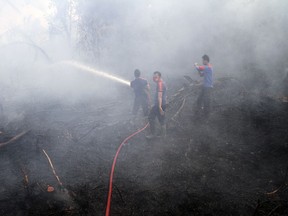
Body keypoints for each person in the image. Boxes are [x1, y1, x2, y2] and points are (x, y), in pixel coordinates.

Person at [147, 71, 167, 138]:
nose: (154, 78)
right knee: (161, 119)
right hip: (161, 104)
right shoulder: (161, 82)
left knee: (151, 117)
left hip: (159, 105)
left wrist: (159, 107)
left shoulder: (160, 84)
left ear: (159, 77)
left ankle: (154, 134)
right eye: (154, 77)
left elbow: (160, 96)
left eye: (156, 77)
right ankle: (163, 134)